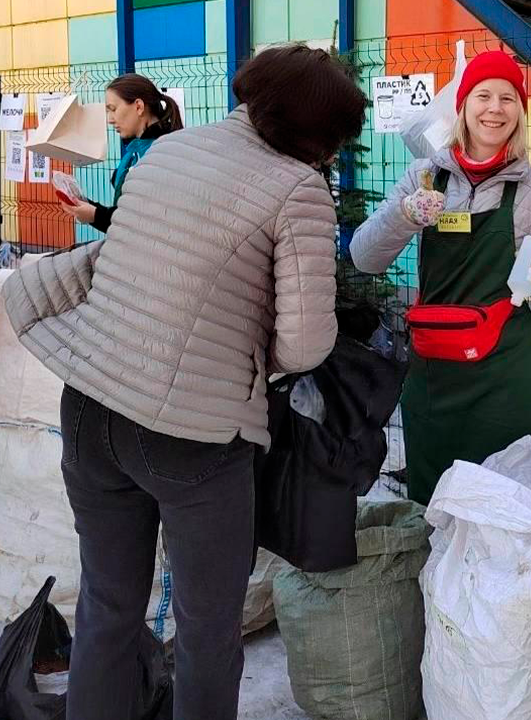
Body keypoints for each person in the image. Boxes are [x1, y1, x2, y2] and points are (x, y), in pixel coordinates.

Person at [2, 44, 366, 720]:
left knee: (108, 607)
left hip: (90, 404)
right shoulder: (298, 189)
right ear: (320, 133)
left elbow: (120, 261)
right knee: (205, 631)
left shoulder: (167, 151)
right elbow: (308, 341)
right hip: (191, 437)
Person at [351, 50, 531, 505]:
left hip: (503, 370)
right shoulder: (423, 176)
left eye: (508, 98)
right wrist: (406, 213)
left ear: (521, 112)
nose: (495, 109)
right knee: (435, 493)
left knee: (510, 491)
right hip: (435, 365)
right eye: (483, 95)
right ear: (464, 106)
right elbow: (363, 257)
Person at [60, 73, 184, 233]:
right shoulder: (134, 152)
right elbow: (125, 214)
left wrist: (95, 215)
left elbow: (144, 223)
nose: (110, 119)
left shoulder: (161, 154)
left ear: (138, 106)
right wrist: (87, 207)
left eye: (113, 109)